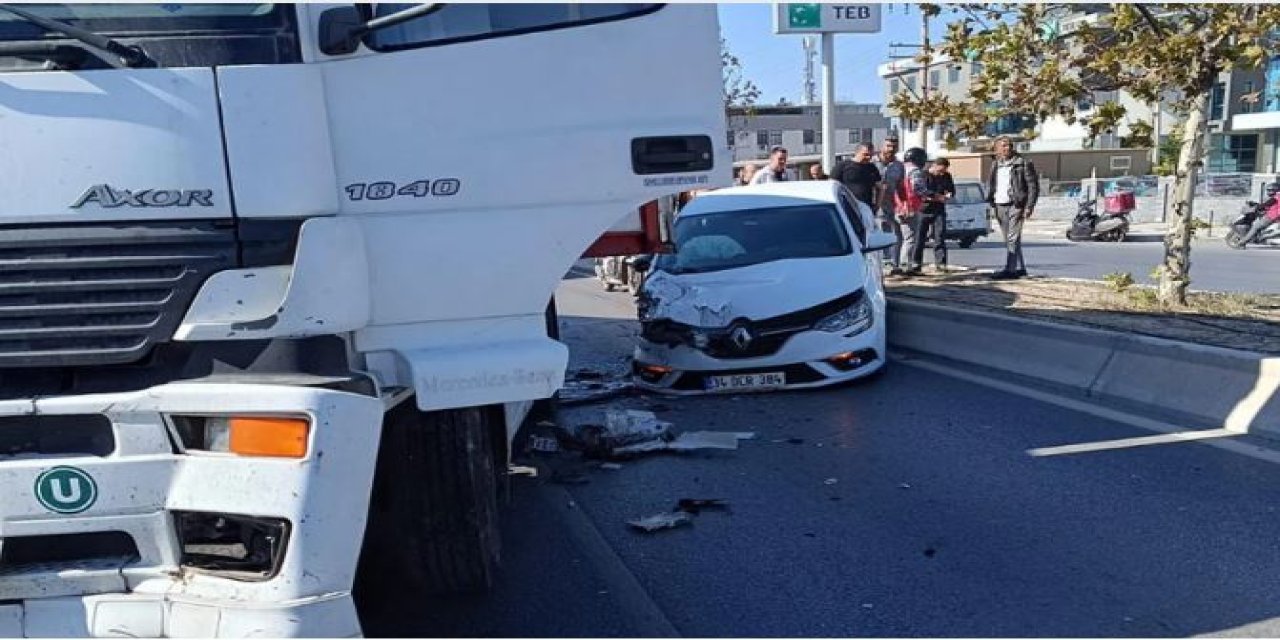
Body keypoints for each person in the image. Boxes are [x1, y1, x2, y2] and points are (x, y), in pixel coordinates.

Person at [985, 136, 1039, 279]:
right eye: (1003, 146)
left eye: (1008, 145)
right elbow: (991, 183)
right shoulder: (996, 164)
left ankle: (1010, 270)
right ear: (996, 149)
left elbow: (1033, 186)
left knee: (1012, 238)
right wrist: (989, 200)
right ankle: (1020, 268)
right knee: (1009, 239)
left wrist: (1029, 206)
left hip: (1017, 204)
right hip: (999, 204)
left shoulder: (1023, 163)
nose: (1006, 148)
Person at [910, 157, 955, 273]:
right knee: (919, 238)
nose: (941, 174)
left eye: (943, 171)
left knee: (939, 237)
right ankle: (916, 264)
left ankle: (941, 264)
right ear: (934, 166)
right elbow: (920, 190)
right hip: (923, 210)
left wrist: (949, 194)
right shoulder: (922, 175)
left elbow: (951, 189)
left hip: (939, 210)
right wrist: (937, 196)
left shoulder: (946, 176)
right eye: (939, 171)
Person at [896, 147, 936, 276]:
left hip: (897, 207)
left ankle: (898, 264)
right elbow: (918, 188)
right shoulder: (915, 171)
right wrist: (934, 195)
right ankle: (906, 266)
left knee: (900, 238)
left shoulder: (899, 169)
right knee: (910, 238)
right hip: (910, 207)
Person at [872, 136, 905, 275]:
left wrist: (904, 204)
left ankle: (892, 263)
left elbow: (900, 187)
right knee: (880, 234)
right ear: (882, 147)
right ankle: (883, 263)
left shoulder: (898, 166)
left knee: (894, 235)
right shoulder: (871, 163)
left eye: (894, 147)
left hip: (888, 206)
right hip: (871, 205)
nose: (891, 149)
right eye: (888, 146)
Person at [831, 143, 881, 211]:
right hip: (846, 206)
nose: (868, 157)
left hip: (866, 207)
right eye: (865, 154)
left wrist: (877, 205)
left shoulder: (872, 168)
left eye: (871, 155)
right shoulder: (842, 166)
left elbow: (880, 187)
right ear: (857, 152)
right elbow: (832, 185)